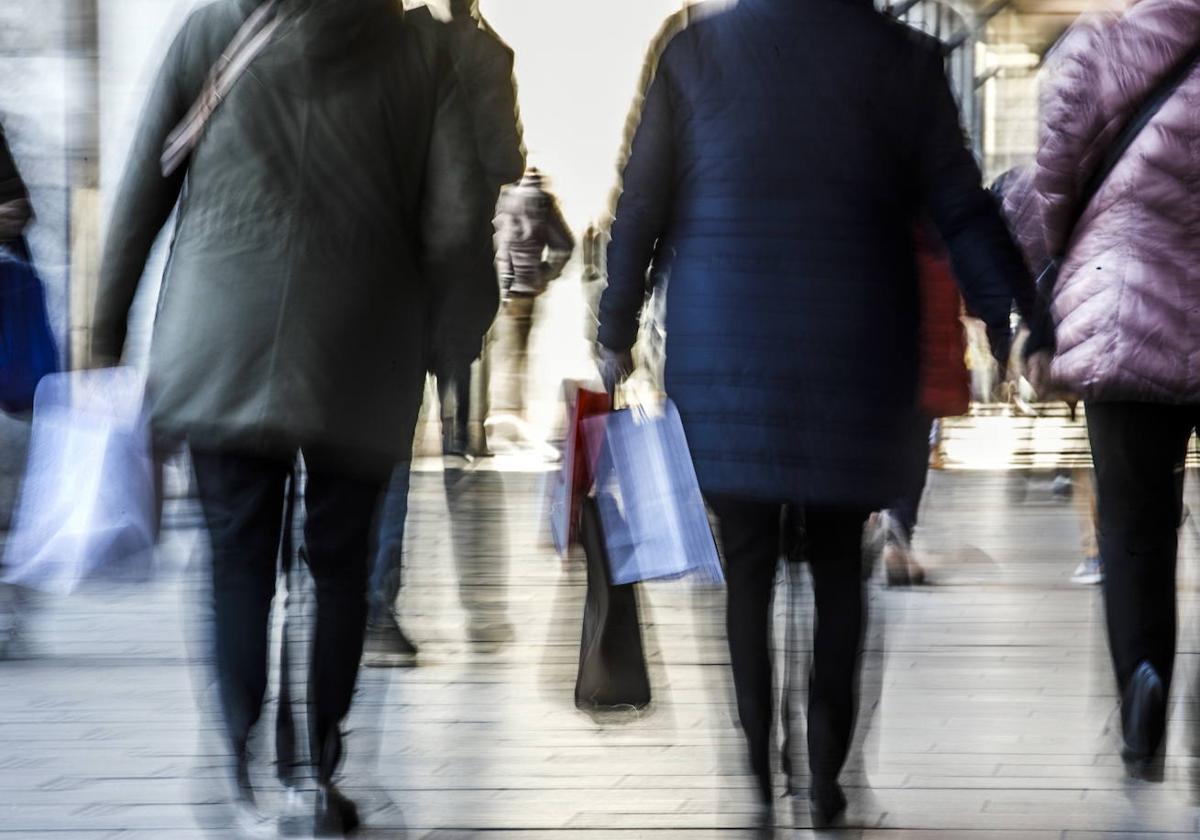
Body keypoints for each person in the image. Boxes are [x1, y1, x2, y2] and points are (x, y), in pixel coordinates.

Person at [597, 0, 1029, 827]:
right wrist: (1009, 316)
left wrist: (614, 331)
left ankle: (756, 775)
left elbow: (640, 209)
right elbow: (960, 207)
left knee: (749, 565)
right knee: (837, 561)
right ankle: (825, 782)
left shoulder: (695, 58)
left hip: (726, 350)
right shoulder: (904, 60)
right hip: (858, 349)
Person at [92, 1, 488, 834]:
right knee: (338, 567)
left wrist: (104, 328)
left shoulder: (211, 31)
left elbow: (143, 185)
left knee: (237, 555)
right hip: (361, 344)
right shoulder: (421, 54)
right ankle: (313, 767)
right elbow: (455, 219)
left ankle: (236, 759)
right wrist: (452, 346)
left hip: (222, 335)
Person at [1019, 0, 1200, 779]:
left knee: (1131, 525)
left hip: (1123, 311)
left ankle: (1143, 685)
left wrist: (1031, 299)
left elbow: (1051, 189)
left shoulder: (1099, 44)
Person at [364, 0, 524, 668]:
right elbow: (507, 162)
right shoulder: (490, 55)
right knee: (446, 448)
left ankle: (373, 600)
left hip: (388, 273)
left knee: (391, 441)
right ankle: (473, 605)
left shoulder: (386, 46)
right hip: (454, 280)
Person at [492, 167, 574, 421]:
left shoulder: (498, 194)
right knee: (516, 354)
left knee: (484, 357)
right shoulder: (542, 201)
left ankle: (484, 421)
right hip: (524, 290)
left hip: (492, 285)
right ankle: (511, 416)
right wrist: (543, 276)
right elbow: (564, 245)